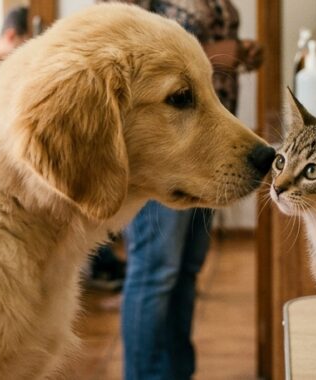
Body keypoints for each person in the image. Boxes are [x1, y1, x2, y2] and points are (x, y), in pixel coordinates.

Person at [99, 1, 262, 379]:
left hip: (212, 149)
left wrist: (242, 53)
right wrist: (221, 53)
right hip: (167, 150)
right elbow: (122, 48)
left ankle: (175, 372)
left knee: (186, 269)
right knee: (156, 271)